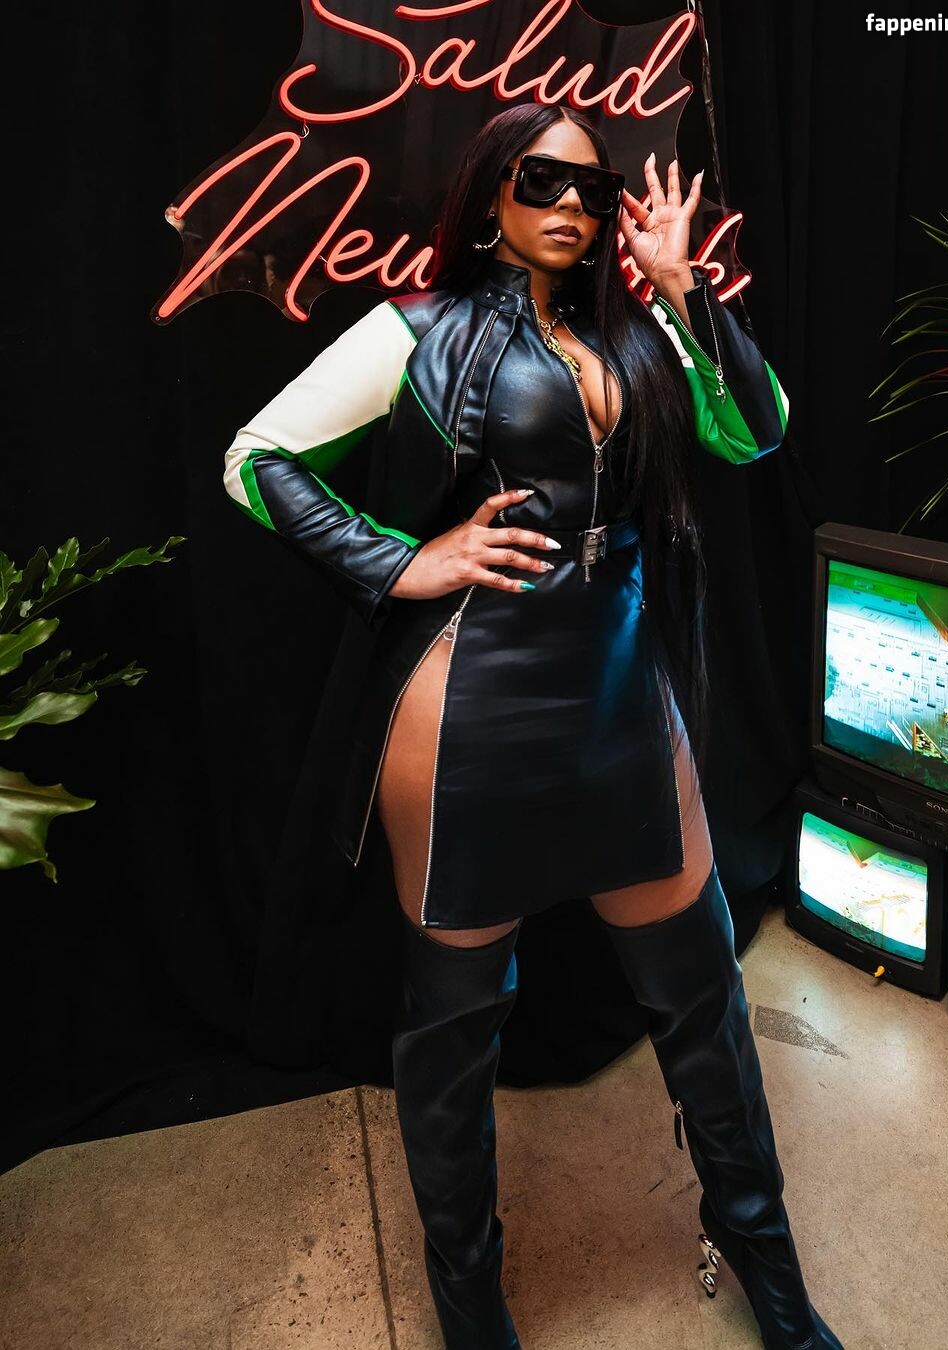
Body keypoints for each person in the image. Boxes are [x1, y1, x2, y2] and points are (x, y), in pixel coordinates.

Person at [223, 104, 842, 1350]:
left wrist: (683, 290)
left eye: (593, 190)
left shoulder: (641, 337)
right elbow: (257, 458)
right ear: (490, 190)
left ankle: (766, 1264)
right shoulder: (422, 328)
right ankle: (472, 1312)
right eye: (540, 179)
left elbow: (758, 428)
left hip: (622, 698)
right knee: (454, 1029)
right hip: (472, 706)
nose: (571, 205)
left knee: (703, 996)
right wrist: (404, 561)